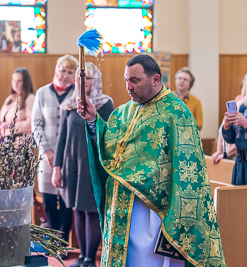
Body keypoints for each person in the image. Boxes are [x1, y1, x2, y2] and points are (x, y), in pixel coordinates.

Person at [78, 54, 225, 267]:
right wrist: (93, 120)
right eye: (126, 80)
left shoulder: (176, 112)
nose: (129, 87)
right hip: (119, 204)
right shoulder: (123, 112)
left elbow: (189, 168)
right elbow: (108, 148)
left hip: (150, 211)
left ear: (156, 79)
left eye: (135, 81)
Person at [52, 62, 114, 267]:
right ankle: (81, 257)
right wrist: (57, 167)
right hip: (72, 164)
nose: (84, 81)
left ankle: (90, 257)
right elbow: (62, 138)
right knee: (77, 209)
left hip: (93, 164)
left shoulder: (105, 103)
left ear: (95, 80)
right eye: (82, 77)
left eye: (88, 77)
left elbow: (107, 136)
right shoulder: (70, 103)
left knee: (91, 210)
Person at [31, 55, 78, 258]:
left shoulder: (77, 93)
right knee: (49, 199)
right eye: (63, 70)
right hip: (46, 156)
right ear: (56, 69)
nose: (65, 75)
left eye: (70, 72)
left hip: (70, 157)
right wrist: (46, 150)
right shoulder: (42, 93)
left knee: (67, 200)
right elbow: (36, 124)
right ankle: (52, 242)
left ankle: (62, 243)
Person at [0, 67, 34, 143]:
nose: (15, 84)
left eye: (19, 81)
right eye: (13, 80)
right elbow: (7, 118)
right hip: (5, 141)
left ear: (26, 82)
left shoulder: (30, 98)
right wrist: (0, 122)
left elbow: (31, 123)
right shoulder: (10, 98)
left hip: (20, 143)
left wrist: (10, 126)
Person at [212, 81, 247, 164]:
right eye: (244, 85)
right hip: (238, 161)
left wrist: (226, 154)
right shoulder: (239, 106)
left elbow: (241, 137)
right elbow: (223, 132)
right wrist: (219, 151)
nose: (244, 88)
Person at [222, 83, 247, 185]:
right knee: (238, 199)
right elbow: (232, 139)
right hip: (241, 164)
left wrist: (246, 124)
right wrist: (227, 127)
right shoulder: (243, 107)